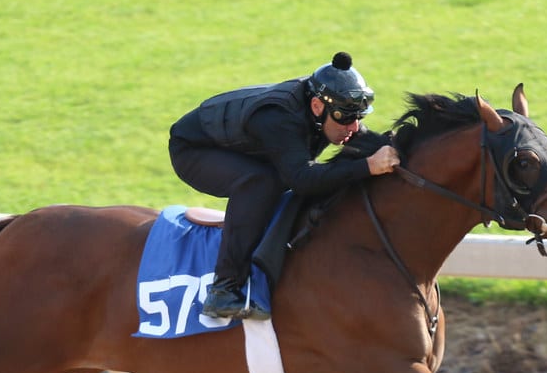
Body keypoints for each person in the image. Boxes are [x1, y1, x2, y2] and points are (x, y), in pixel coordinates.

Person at [168, 51, 400, 321]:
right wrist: (367, 166)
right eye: (345, 118)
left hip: (238, 144)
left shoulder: (324, 105)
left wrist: (396, 146)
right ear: (316, 106)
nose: (353, 126)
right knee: (261, 182)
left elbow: (357, 135)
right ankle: (224, 289)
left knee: (274, 178)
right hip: (193, 150)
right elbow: (302, 180)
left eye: (357, 116)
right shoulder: (280, 118)